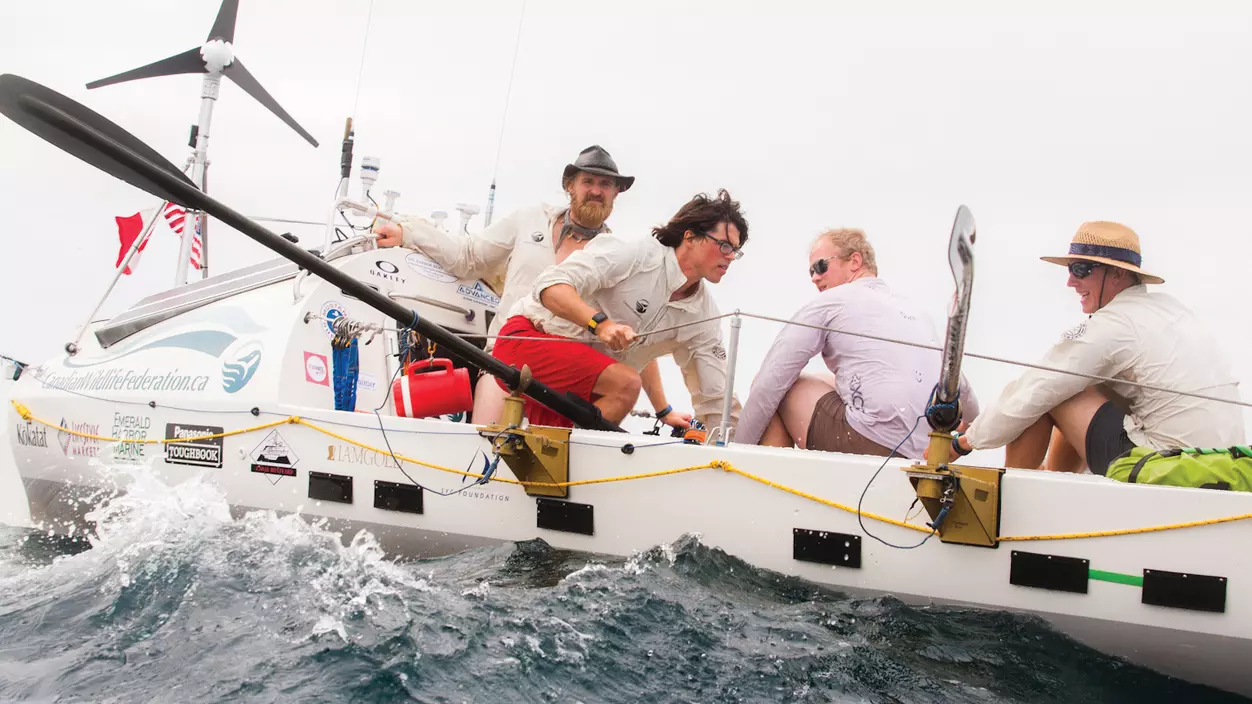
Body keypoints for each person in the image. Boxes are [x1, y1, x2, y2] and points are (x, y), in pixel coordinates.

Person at [372, 145, 690, 429]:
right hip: (505, 360)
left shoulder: (620, 258)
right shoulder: (529, 220)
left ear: (616, 193)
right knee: (486, 458)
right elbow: (468, 257)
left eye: (605, 184)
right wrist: (409, 234)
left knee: (549, 474)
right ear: (570, 185)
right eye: (588, 181)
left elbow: (634, 342)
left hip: (566, 378)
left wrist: (663, 410)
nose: (596, 190)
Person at [950, 221, 1244, 475]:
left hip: (1170, 469)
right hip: (1227, 468)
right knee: (1081, 384)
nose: (1069, 281)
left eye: (1080, 269)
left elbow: (1038, 387)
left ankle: (1011, 503)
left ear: (1117, 274)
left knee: (1048, 391)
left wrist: (963, 443)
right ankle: (1051, 482)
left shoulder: (1114, 325)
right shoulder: (1172, 311)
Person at [491, 190, 747, 431]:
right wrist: (601, 325)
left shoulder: (703, 316)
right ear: (690, 237)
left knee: (611, 397)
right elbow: (549, 286)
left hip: (583, 385)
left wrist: (744, 450)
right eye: (724, 245)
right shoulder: (636, 254)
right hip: (524, 340)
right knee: (625, 384)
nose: (731, 256)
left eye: (736, 250)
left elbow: (715, 398)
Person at [736, 228, 978, 459]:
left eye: (821, 266)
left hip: (869, 442)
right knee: (823, 380)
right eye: (810, 272)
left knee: (777, 385)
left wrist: (735, 452)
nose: (815, 278)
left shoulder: (832, 301)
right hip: (924, 454)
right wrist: (955, 446)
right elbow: (969, 403)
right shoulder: (916, 311)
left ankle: (768, 483)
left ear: (854, 261)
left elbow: (769, 382)